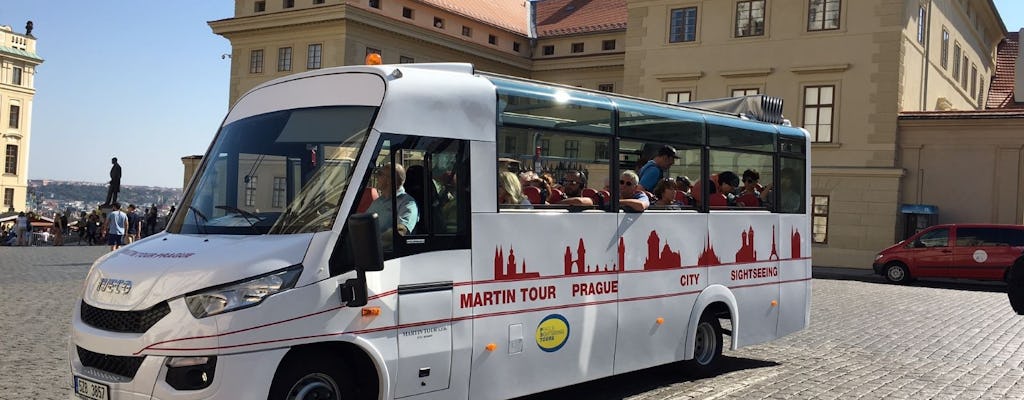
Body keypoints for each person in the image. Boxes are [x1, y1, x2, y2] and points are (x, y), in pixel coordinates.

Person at [365, 163, 419, 249]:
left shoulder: (408, 203)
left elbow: (401, 231)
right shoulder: (377, 202)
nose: (376, 177)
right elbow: (364, 223)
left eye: (379, 174)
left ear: (390, 179)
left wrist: (371, 244)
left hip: (392, 256)